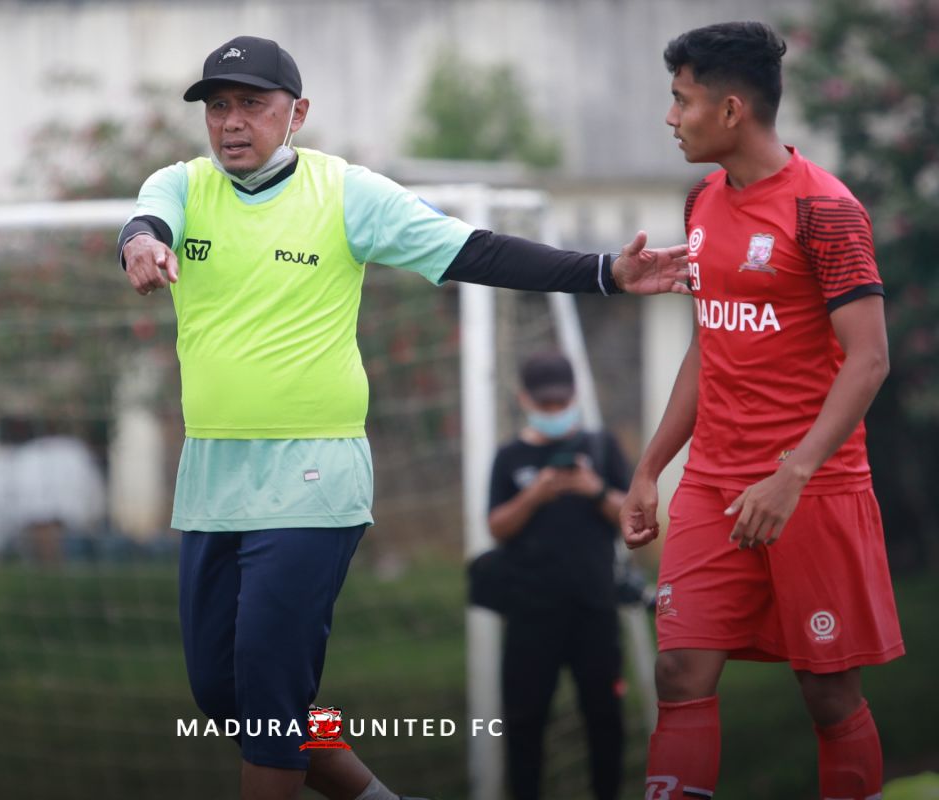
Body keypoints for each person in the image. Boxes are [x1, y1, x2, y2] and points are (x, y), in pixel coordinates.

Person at [117, 35, 689, 800]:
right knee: (224, 696)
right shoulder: (182, 185)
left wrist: (602, 273)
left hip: (312, 475)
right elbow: (144, 221)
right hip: (212, 477)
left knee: (266, 690)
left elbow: (475, 252)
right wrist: (141, 244)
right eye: (218, 106)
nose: (231, 122)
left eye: (252, 104)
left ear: (298, 113)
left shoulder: (346, 193)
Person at [621, 22, 903, 800]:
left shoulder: (827, 211)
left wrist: (792, 475)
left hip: (812, 487)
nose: (671, 118)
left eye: (682, 101)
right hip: (714, 482)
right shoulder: (701, 202)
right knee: (678, 668)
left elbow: (869, 358)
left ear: (733, 109)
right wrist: (651, 469)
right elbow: (708, 346)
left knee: (828, 692)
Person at [486, 352, 630, 800]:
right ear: (524, 399)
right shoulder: (510, 458)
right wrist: (535, 494)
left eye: (560, 403)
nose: (554, 412)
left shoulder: (602, 448)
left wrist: (595, 489)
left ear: (575, 397)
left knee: (605, 719)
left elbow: (633, 517)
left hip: (594, 609)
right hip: (530, 615)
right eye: (544, 404)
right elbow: (496, 526)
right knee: (525, 722)